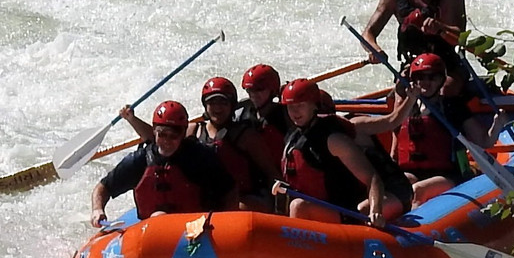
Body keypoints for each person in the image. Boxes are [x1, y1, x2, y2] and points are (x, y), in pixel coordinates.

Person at [279, 78, 410, 227]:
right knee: (293, 204)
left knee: (298, 206)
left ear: (314, 106)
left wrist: (375, 211)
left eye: (300, 105)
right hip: (322, 207)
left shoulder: (334, 140)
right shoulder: (292, 137)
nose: (295, 112)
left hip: (346, 212)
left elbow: (372, 178)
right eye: (290, 106)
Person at [90, 100, 237, 228]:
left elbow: (230, 191)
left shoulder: (199, 158)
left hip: (195, 230)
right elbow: (103, 187)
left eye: (173, 136)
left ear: (183, 133)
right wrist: (98, 209)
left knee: (159, 217)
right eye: (162, 135)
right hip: (153, 233)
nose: (167, 141)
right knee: (158, 217)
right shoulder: (140, 160)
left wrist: (224, 224)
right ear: (154, 131)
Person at [385, 52, 507, 206]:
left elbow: (485, 141)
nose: (425, 82)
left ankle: (414, 228)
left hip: (448, 174)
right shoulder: (409, 107)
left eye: (432, 77)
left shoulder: (453, 107)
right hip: (414, 172)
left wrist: (497, 124)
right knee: (398, 185)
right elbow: (394, 126)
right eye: (420, 77)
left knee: (418, 190)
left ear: (441, 80)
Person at [362, 0, 468, 96]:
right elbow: (368, 33)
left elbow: (460, 38)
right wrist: (375, 49)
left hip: (448, 65)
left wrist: (441, 28)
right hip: (414, 64)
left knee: (445, 90)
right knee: (401, 91)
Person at [188, 76, 282, 213]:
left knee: (236, 207)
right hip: (210, 200)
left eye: (223, 102)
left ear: (232, 105)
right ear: (205, 105)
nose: (217, 108)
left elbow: (271, 172)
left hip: (247, 198)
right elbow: (160, 141)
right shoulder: (193, 131)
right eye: (212, 102)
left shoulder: (246, 136)